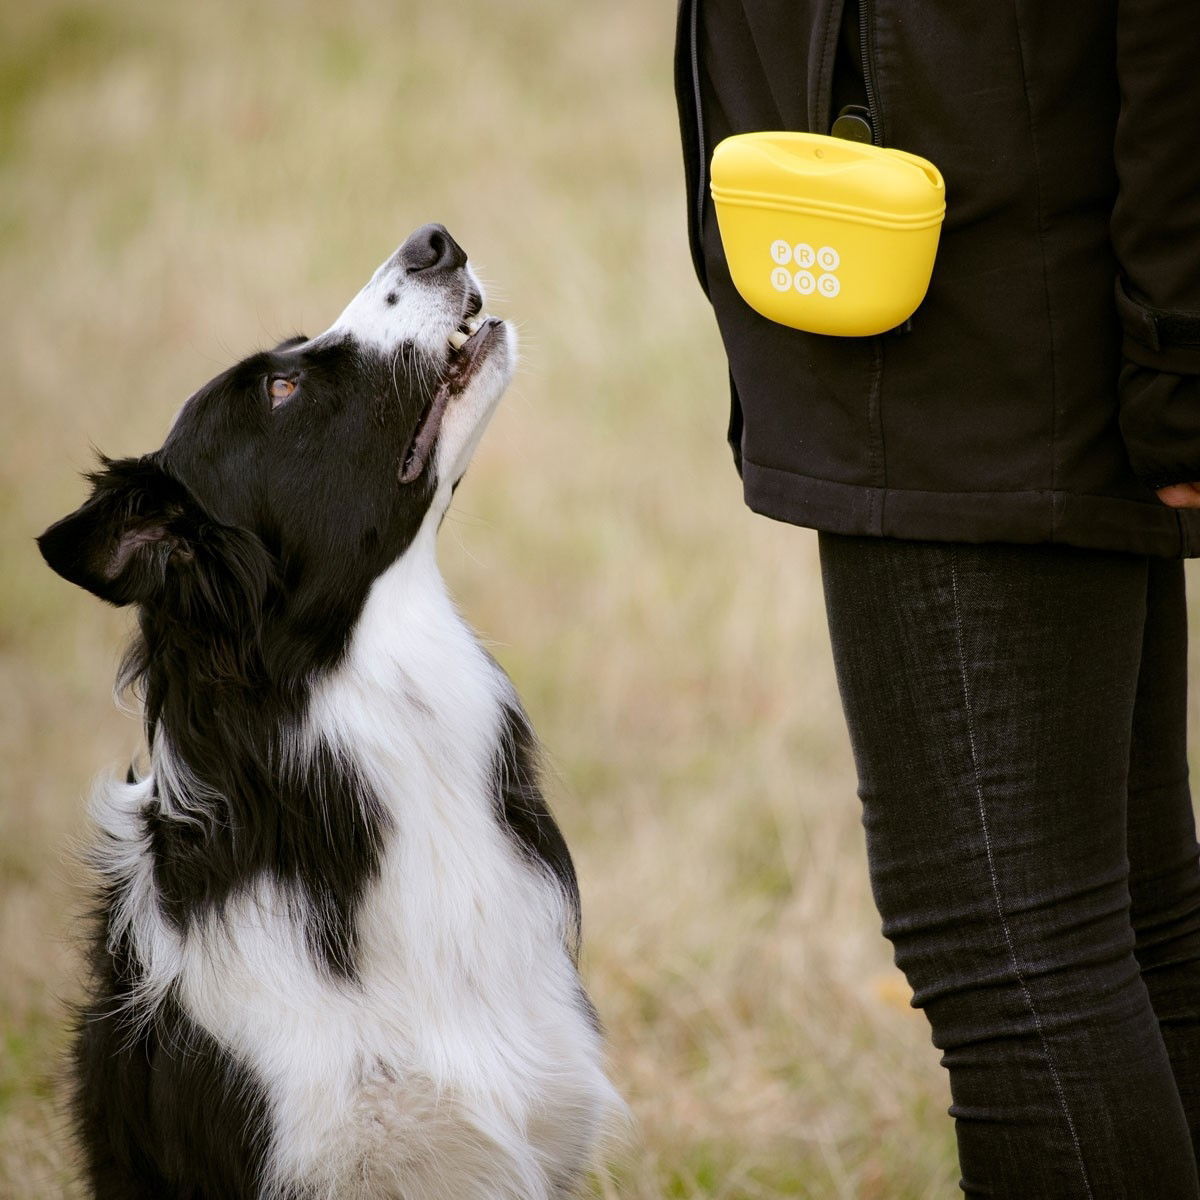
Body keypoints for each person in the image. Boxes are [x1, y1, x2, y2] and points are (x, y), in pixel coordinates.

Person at [674, 1, 1200, 1195]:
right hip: (985, 246)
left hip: (976, 292)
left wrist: (1180, 344)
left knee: (1014, 951)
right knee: (1120, 920)